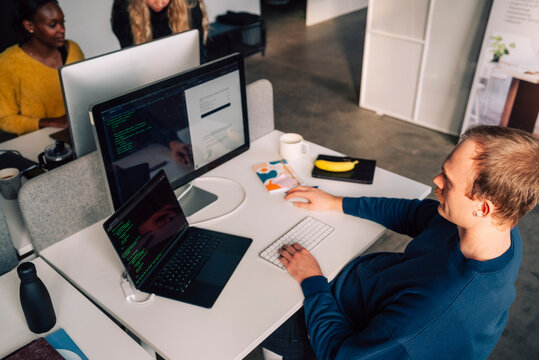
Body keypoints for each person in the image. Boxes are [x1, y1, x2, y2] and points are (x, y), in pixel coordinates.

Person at [262, 125, 539, 360]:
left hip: (338, 327)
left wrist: (312, 280)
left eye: (449, 182)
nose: (436, 181)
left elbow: (339, 353)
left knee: (253, 312)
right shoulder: (496, 229)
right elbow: (412, 214)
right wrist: (336, 202)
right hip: (362, 293)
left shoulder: (434, 311)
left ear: (483, 208)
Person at [0, 0, 84, 136]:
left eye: (63, 22)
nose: (61, 30)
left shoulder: (73, 50)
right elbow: (4, 120)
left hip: (78, 132)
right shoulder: (7, 63)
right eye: (53, 25)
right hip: (38, 141)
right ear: (30, 26)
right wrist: (50, 123)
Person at [111, 0, 208, 62]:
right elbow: (130, 63)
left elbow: (199, 55)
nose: (160, 2)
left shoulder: (190, 5)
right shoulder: (123, 10)